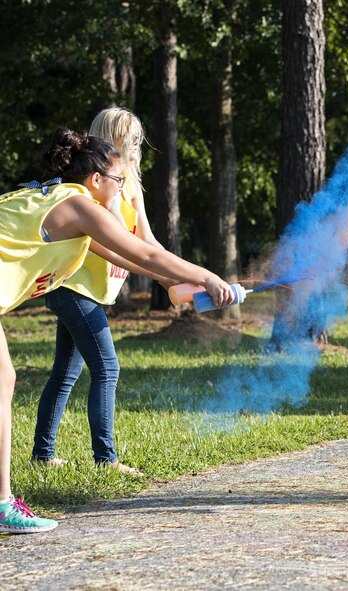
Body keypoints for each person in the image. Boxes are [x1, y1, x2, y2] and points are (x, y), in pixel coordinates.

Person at [0, 128, 233, 533]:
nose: (122, 189)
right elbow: (145, 249)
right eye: (119, 180)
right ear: (96, 181)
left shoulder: (66, 209)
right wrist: (209, 277)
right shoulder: (80, 206)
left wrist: (174, 283)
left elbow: (137, 259)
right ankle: (2, 505)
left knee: (5, 380)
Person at [32, 109, 164, 474]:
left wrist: (187, 275)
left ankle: (43, 454)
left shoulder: (131, 186)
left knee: (65, 373)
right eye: (132, 136)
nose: (139, 143)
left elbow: (147, 241)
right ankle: (106, 460)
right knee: (107, 368)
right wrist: (110, 199)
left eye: (140, 135)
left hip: (92, 291)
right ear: (113, 138)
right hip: (72, 287)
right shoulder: (89, 186)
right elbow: (111, 239)